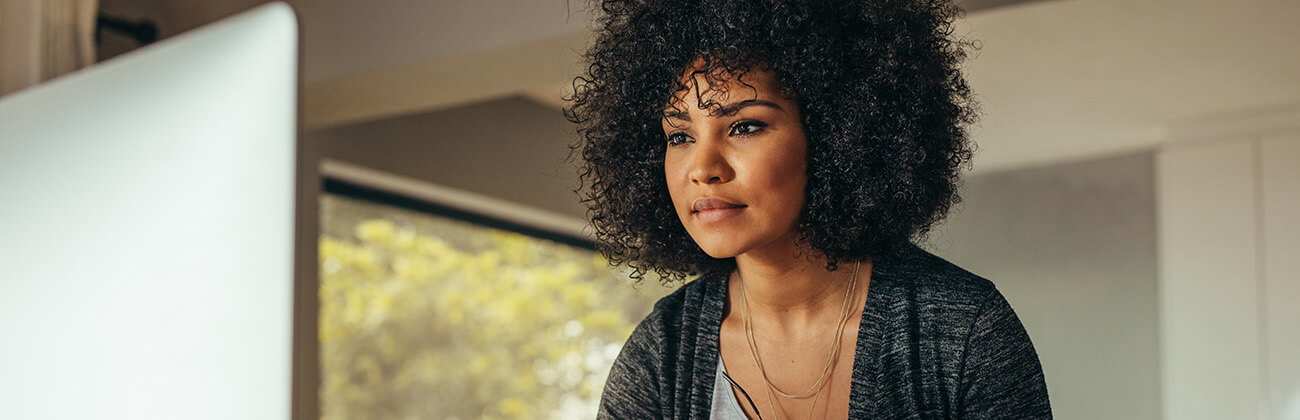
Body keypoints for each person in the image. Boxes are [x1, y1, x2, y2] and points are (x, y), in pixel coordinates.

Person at [565, 0, 1052, 418]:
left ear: (836, 136)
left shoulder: (961, 329)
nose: (702, 167)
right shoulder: (663, 353)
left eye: (745, 127)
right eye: (679, 136)